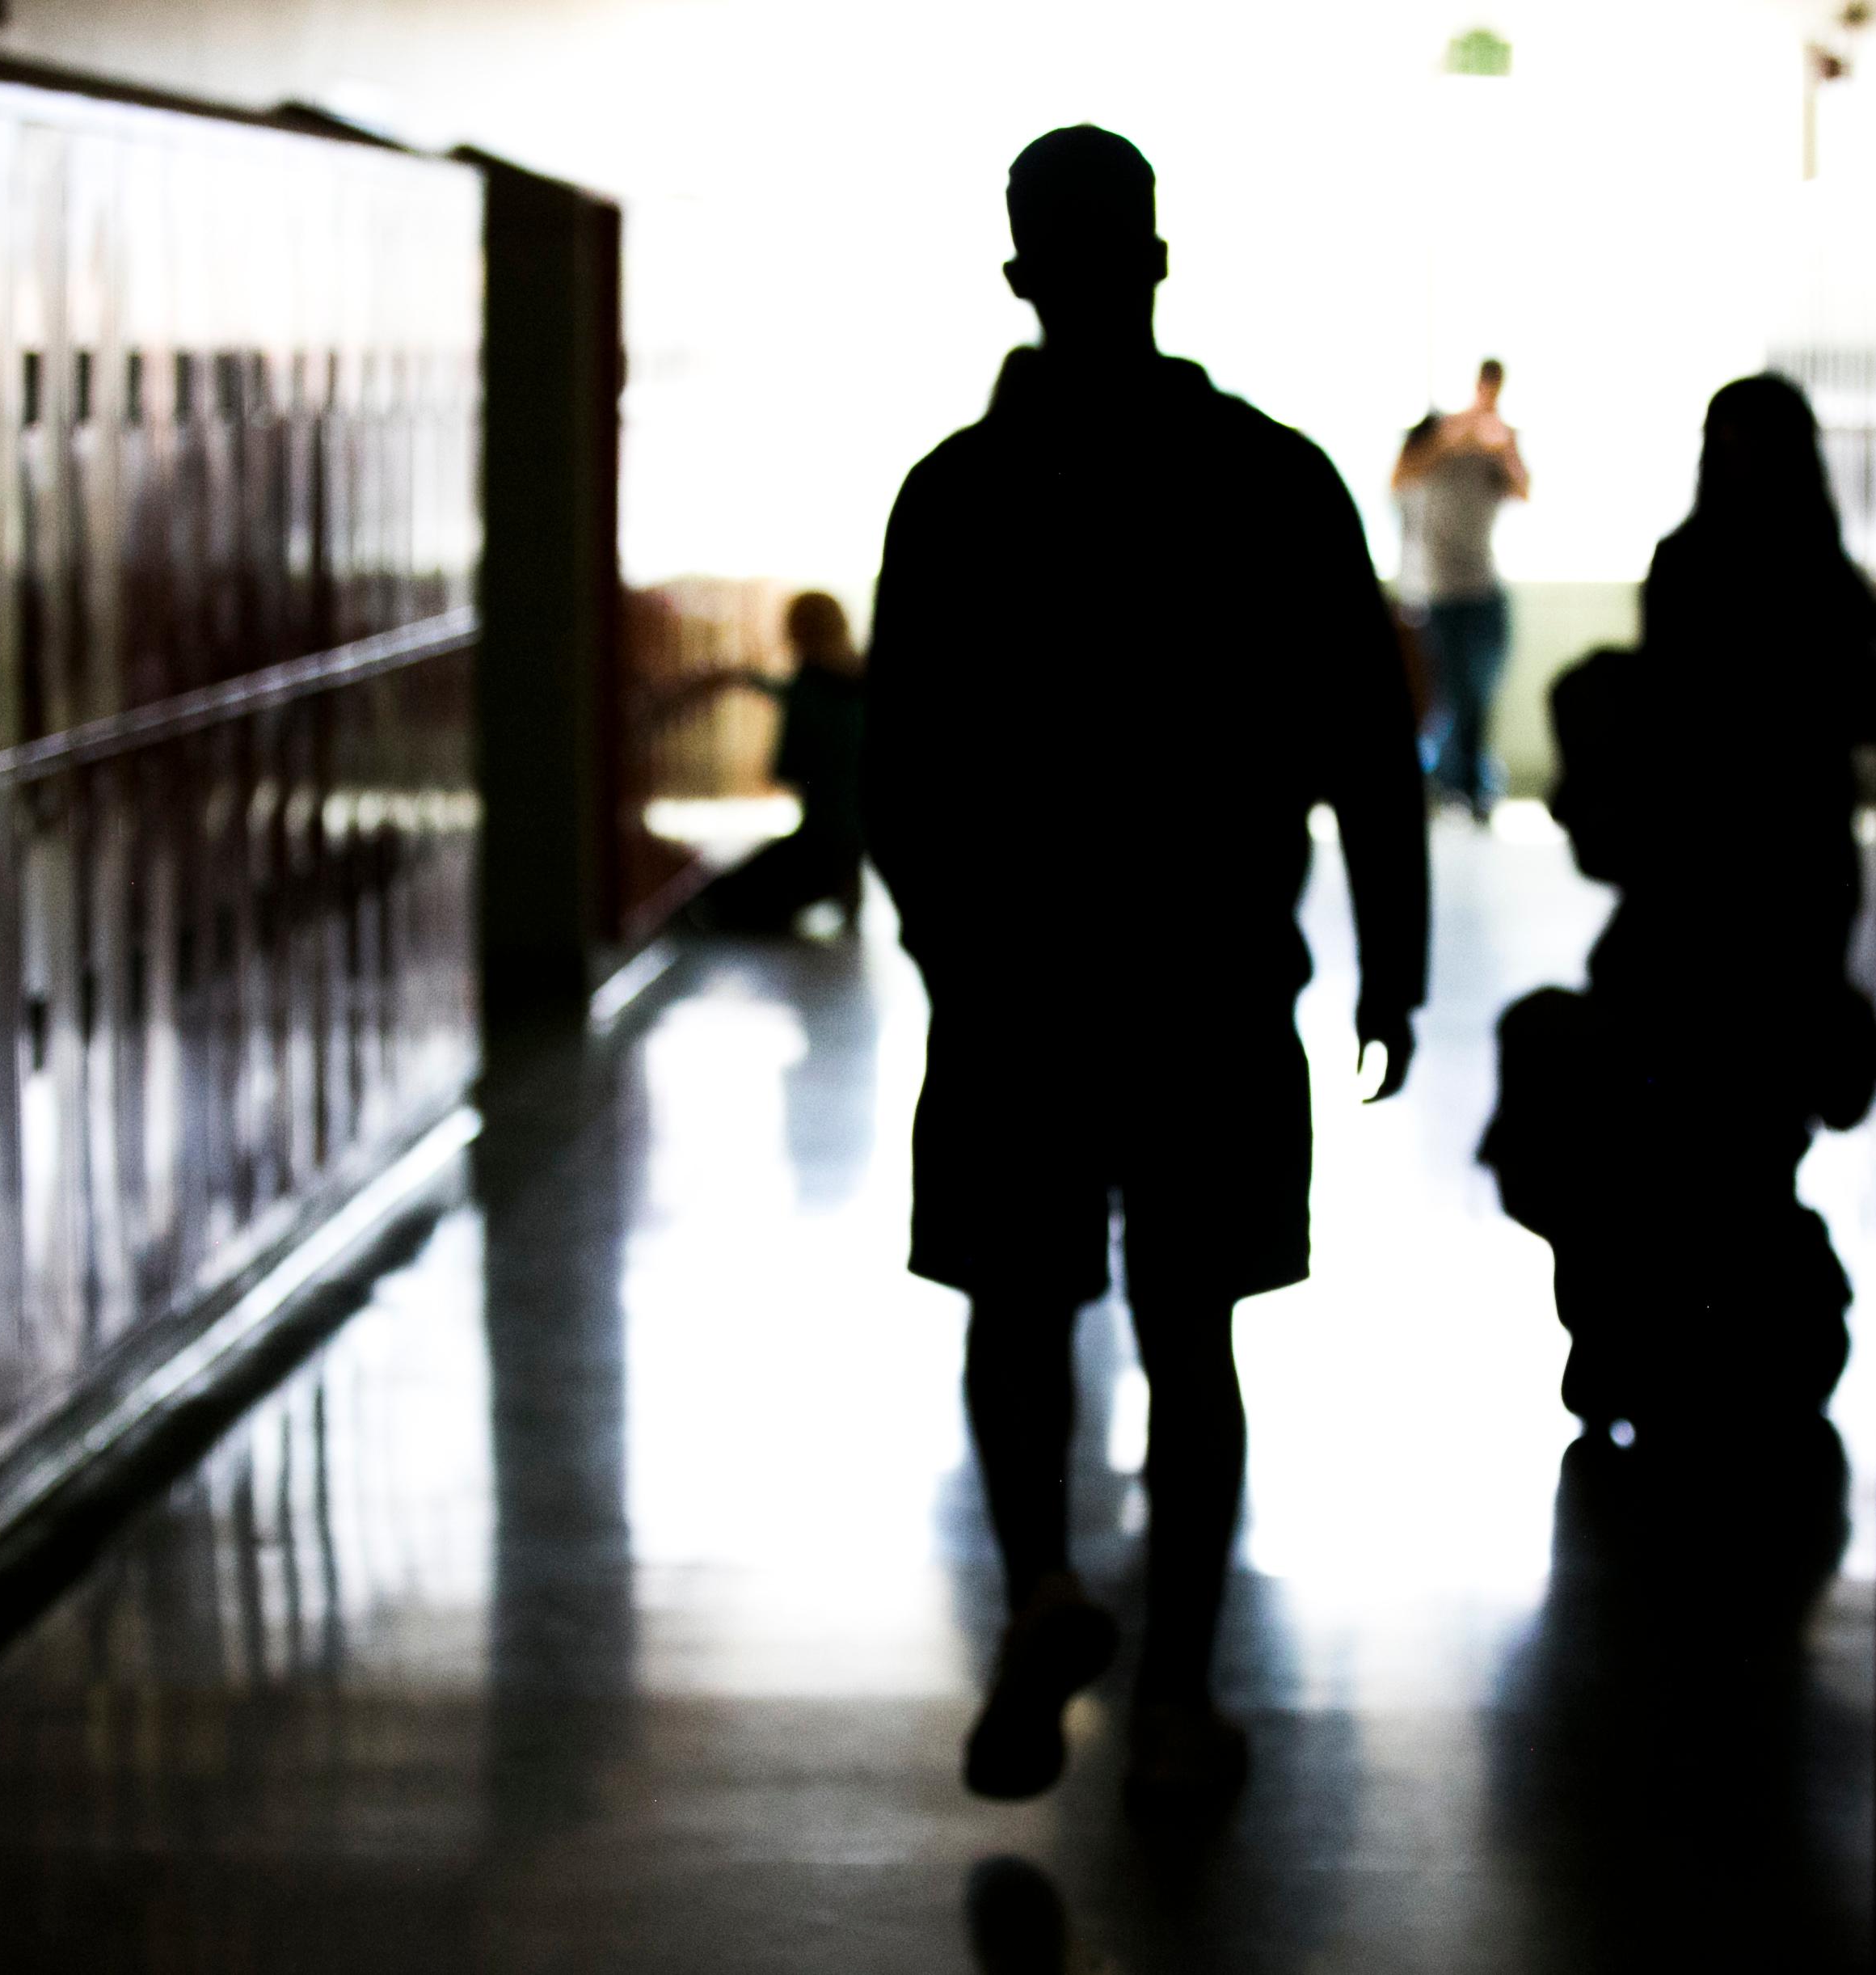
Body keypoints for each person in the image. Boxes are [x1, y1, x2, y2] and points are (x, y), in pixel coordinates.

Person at [862, 126, 1428, 1813]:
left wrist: (948, 941)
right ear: (1156, 265)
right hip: (1205, 981)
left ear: (1023, 277)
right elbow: (1366, 750)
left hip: (1017, 987)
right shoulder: (1268, 477)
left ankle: (1040, 1582)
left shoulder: (955, 496)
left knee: (1012, 1302)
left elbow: (891, 768)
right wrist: (1386, 970)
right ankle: (1175, 1689)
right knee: (1192, 1338)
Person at [1480, 373, 1876, 1434]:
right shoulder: (1800, 583)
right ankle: (1667, 1338)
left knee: (1674, 1137)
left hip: (1737, 911)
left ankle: (1639, 1341)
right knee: (1703, 1139)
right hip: (1731, 908)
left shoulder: (1724, 572)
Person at [1392, 358, 1529, 820]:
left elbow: (1522, 489)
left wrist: (1499, 445)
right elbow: (1400, 477)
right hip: (1434, 591)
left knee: (1478, 694)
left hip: (1481, 587)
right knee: (1440, 698)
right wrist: (1456, 435)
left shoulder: (1496, 445)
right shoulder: (1429, 442)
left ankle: (1470, 782)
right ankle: (1445, 782)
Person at [689, 591, 869, 933]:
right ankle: (843, 891)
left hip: (819, 844)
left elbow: (788, 771)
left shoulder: (808, 687)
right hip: (851, 846)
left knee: (715, 900)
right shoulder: (858, 681)